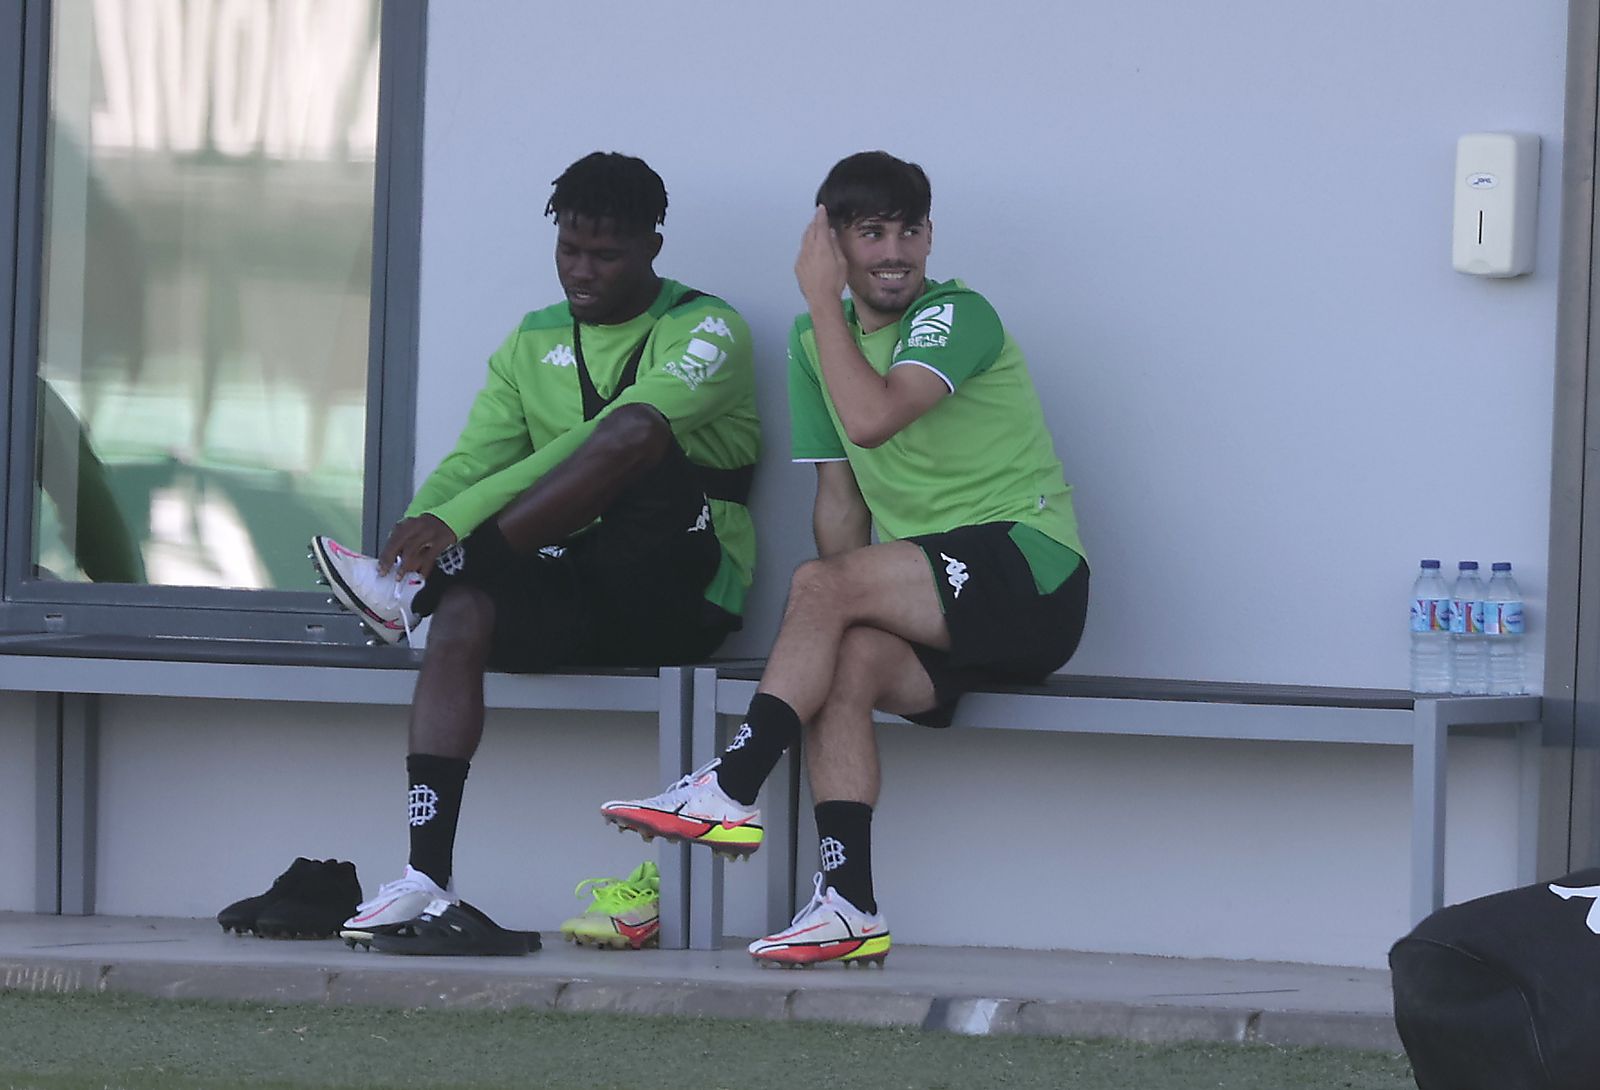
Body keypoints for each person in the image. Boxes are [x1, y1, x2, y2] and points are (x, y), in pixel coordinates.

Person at [601, 151, 1089, 967]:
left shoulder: (956, 314)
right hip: (936, 593)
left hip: (1031, 572)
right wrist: (836, 612)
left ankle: (732, 785)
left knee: (824, 588)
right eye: (871, 233)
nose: (895, 251)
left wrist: (822, 301)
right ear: (833, 242)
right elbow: (840, 499)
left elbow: (873, 417)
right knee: (843, 662)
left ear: (929, 237)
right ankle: (849, 904)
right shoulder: (812, 344)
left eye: (909, 231)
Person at [310, 152, 760, 951]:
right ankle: (424, 879)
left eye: (605, 255)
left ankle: (428, 584)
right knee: (463, 610)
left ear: (653, 247)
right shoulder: (534, 338)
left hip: (681, 589)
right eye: (569, 250)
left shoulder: (708, 329)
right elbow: (473, 461)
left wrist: (457, 537)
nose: (581, 271)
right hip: (579, 584)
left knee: (634, 429)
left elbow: (611, 438)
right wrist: (414, 537)